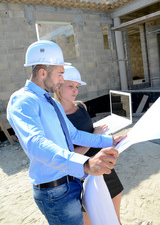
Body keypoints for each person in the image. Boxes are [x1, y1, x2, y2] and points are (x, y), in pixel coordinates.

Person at [7, 40, 126, 225]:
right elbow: (35, 143)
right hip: (54, 193)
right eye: (60, 74)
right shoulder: (23, 101)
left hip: (72, 182)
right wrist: (85, 164)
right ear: (42, 72)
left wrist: (109, 141)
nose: (62, 79)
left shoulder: (51, 102)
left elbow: (74, 135)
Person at [55, 65, 124, 224]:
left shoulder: (81, 106)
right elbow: (71, 154)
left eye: (77, 87)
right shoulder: (56, 118)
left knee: (115, 220)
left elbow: (89, 132)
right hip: (81, 175)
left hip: (104, 166)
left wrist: (101, 134)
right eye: (70, 86)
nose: (75, 90)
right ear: (58, 87)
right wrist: (94, 134)